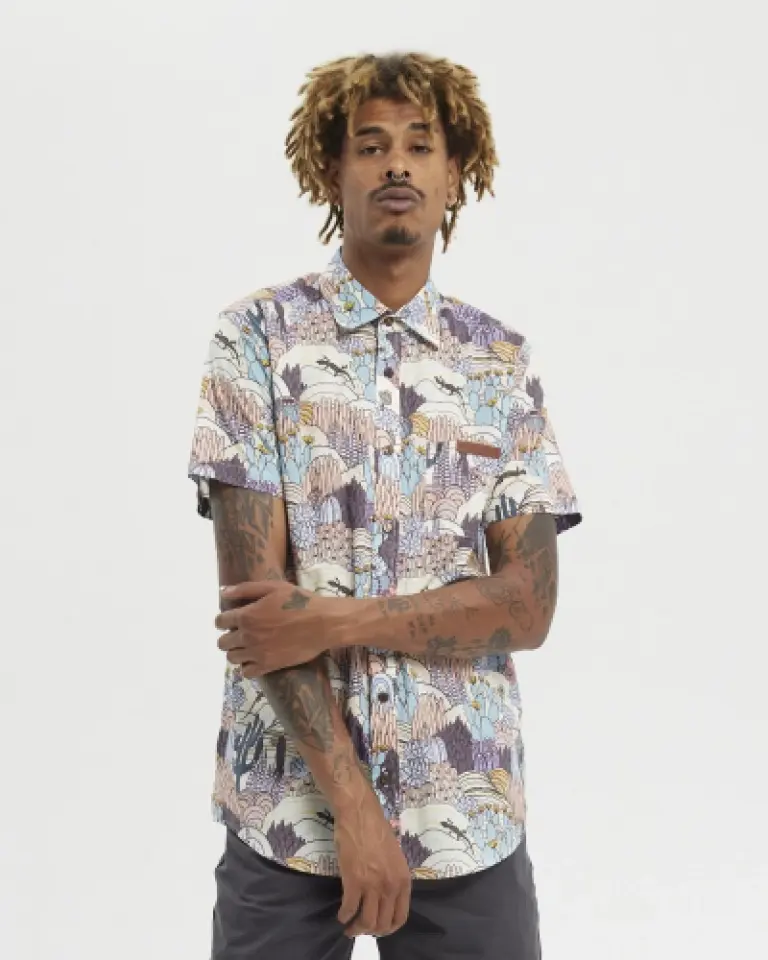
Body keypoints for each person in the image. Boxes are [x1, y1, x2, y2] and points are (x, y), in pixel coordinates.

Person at [187, 51, 582, 960]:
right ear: (333, 170)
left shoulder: (499, 363)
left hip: (465, 815)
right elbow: (258, 616)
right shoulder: (255, 341)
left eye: (419, 144)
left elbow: (528, 607)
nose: (396, 163)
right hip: (287, 815)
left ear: (455, 173)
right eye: (370, 146)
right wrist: (358, 815)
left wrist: (334, 619)